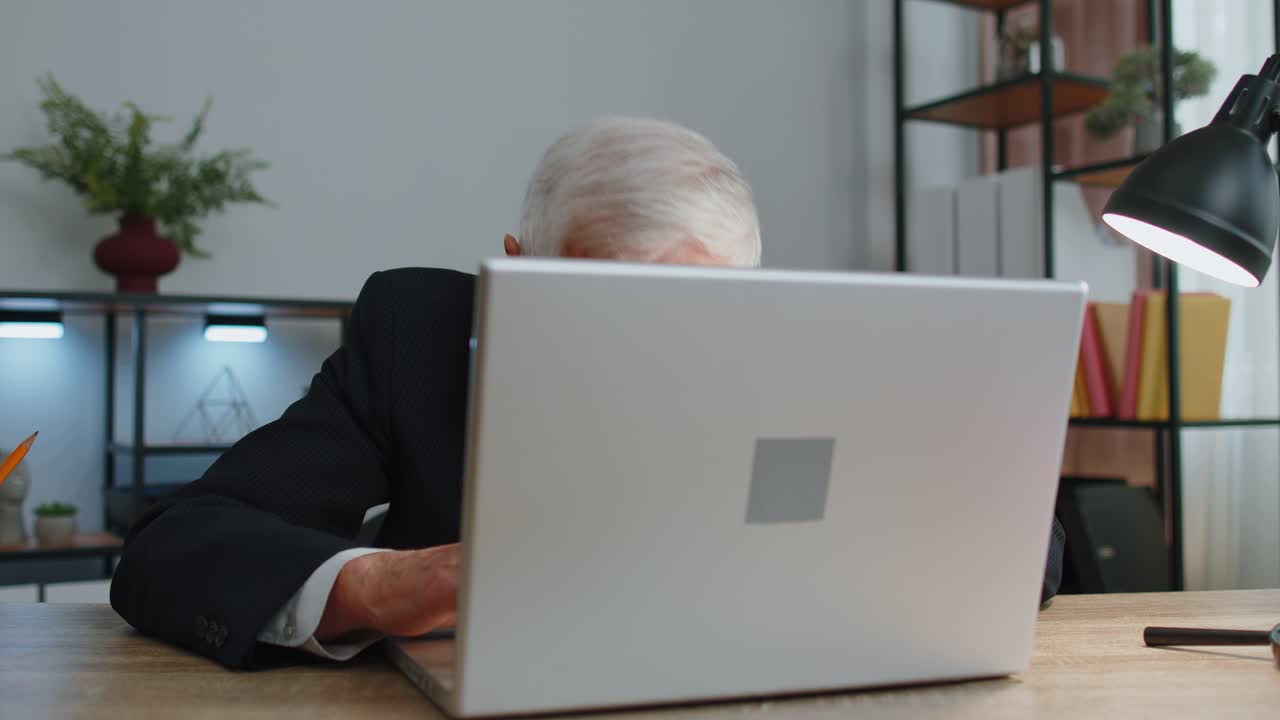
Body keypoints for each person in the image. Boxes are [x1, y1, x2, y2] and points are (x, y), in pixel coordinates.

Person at [110, 117, 1065, 669]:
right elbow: (174, 544)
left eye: (706, 315)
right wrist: (376, 584)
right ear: (513, 267)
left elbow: (1026, 539)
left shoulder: (810, 347)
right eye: (613, 300)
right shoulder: (421, 333)